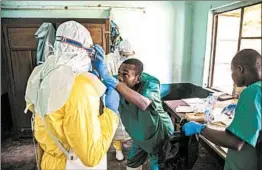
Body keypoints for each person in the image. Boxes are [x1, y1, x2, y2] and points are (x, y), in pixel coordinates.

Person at [24, 21, 120, 170]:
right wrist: (111, 113)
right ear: (83, 52)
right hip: (70, 163)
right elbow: (91, 155)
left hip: (50, 160)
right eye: (90, 52)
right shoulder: (79, 87)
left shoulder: (41, 72)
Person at [91, 46, 174, 170]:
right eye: (119, 73)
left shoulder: (150, 83)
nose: (119, 77)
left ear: (138, 79)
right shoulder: (118, 80)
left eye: (125, 75)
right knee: (132, 163)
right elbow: (99, 86)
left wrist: (110, 80)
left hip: (159, 135)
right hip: (139, 136)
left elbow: (144, 103)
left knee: (157, 165)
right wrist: (94, 72)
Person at [182, 49, 262, 170]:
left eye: (232, 71)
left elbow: (235, 142)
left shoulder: (253, 92)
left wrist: (200, 128)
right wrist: (240, 108)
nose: (232, 76)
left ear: (240, 69)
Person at [105, 39, 135, 161]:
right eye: (124, 55)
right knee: (116, 123)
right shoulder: (110, 60)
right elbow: (106, 78)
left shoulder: (135, 62)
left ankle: (130, 145)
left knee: (130, 123)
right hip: (115, 95)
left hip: (129, 96)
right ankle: (118, 149)